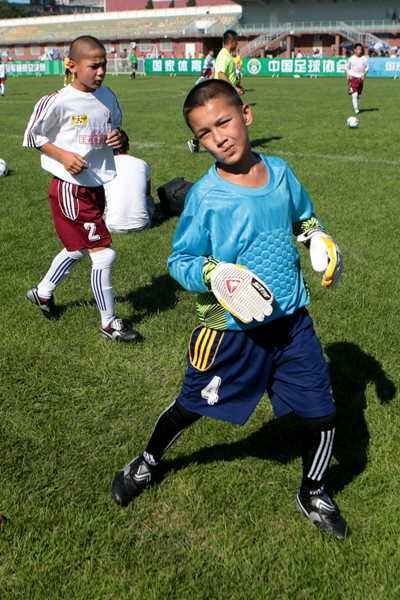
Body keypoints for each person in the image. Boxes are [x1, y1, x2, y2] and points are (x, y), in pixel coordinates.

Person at [111, 79, 347, 539]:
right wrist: (215, 274)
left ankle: (313, 490)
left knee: (322, 412)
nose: (218, 136)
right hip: (229, 331)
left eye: (223, 121)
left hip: (292, 323)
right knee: (191, 406)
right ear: (199, 142)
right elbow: (181, 261)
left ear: (246, 115)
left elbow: (304, 218)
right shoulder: (205, 196)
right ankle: (147, 462)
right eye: (204, 133)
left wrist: (317, 237)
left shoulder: (281, 173)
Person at [23, 35, 138, 342]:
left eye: (103, 66)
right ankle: (109, 322)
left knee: (77, 248)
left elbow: (115, 132)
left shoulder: (108, 97)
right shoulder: (57, 100)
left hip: (95, 183)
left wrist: (120, 139)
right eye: (94, 66)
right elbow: (33, 136)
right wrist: (63, 156)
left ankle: (43, 293)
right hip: (69, 187)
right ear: (72, 66)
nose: (100, 72)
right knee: (103, 255)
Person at [187, 30, 242, 153]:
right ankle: (196, 141)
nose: (238, 44)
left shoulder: (227, 55)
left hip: (225, 92)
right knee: (218, 120)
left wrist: (237, 85)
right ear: (231, 41)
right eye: (236, 41)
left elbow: (226, 74)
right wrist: (234, 88)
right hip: (221, 93)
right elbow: (221, 74)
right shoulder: (224, 55)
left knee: (219, 120)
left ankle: (233, 141)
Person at [104, 130, 154, 233]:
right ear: (128, 145)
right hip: (142, 224)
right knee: (148, 199)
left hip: (112, 225)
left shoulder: (105, 167)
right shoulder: (142, 164)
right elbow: (147, 193)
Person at [345, 43, 368, 115]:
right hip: (353, 77)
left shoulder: (364, 59)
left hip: (360, 78)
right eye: (358, 49)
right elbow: (346, 67)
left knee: (358, 94)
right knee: (354, 94)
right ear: (354, 50)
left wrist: (364, 74)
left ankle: (352, 91)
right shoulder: (351, 59)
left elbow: (367, 68)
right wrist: (348, 75)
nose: (359, 51)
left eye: (360, 49)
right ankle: (356, 109)